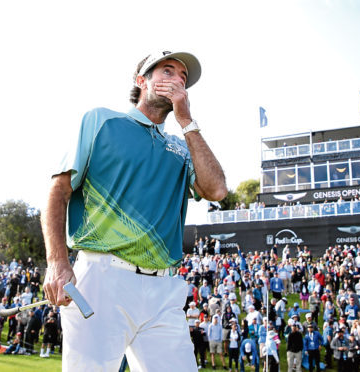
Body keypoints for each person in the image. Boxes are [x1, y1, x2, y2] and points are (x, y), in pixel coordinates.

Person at [41, 50, 227, 371]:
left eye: (183, 77)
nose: (178, 80)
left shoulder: (183, 147)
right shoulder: (101, 120)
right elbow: (58, 192)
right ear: (141, 81)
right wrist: (57, 263)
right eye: (167, 71)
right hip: (101, 278)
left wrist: (186, 122)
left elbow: (217, 190)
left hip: (165, 289)